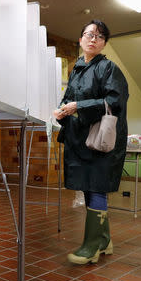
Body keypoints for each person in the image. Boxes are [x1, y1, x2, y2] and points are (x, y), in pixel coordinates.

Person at [53, 20, 129, 265]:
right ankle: (104, 240)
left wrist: (79, 106)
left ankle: (91, 247)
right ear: (80, 40)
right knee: (87, 186)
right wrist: (62, 109)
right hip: (80, 138)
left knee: (96, 185)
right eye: (89, 34)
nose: (93, 39)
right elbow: (69, 98)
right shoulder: (76, 69)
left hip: (101, 141)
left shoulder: (109, 68)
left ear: (104, 42)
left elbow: (115, 100)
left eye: (99, 36)